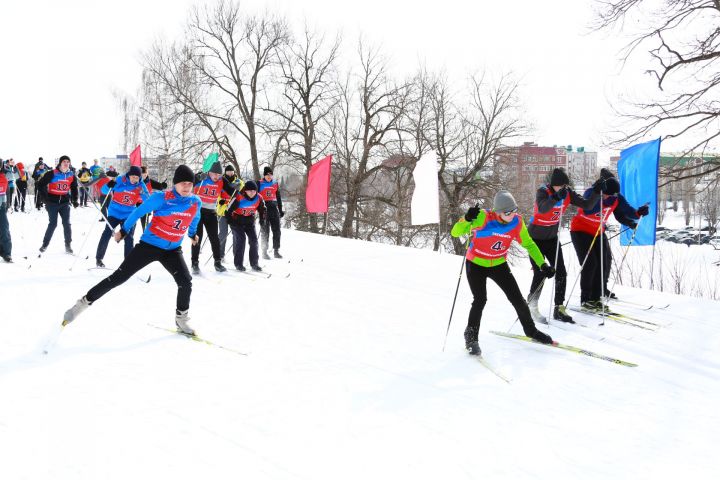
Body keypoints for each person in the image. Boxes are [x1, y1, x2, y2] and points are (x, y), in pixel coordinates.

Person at [62, 165, 202, 335]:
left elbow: (195, 219)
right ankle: (83, 303)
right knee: (119, 277)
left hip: (172, 250)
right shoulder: (161, 198)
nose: (187, 186)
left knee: (185, 282)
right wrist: (124, 230)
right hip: (149, 246)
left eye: (190, 183)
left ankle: (181, 321)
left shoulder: (195, 202)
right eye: (183, 183)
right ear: (175, 184)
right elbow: (137, 212)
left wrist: (193, 234)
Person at [450, 190, 554, 355]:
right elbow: (455, 232)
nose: (512, 214)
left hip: (498, 263)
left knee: (517, 299)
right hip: (476, 263)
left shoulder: (517, 222)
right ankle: (471, 337)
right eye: (507, 212)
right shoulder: (483, 217)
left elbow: (529, 244)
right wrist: (467, 219)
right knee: (480, 299)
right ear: (497, 212)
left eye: (514, 210)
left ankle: (531, 331)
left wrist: (542, 264)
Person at [526, 168, 603, 324]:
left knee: (561, 272)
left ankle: (559, 307)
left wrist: (596, 191)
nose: (563, 188)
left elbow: (587, 205)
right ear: (553, 185)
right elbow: (543, 208)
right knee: (541, 273)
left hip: (552, 239)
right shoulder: (543, 192)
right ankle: (532, 304)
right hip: (535, 239)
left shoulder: (567, 193)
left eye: (564, 186)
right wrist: (555, 197)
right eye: (560, 186)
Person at [569, 169, 650, 311]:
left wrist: (639, 212)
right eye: (605, 194)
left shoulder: (616, 198)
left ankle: (596, 298)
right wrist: (598, 197)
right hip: (580, 231)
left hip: (597, 232)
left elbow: (629, 211)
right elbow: (587, 209)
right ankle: (586, 299)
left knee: (602, 264)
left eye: (609, 195)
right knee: (590, 264)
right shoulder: (593, 192)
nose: (606, 197)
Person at [94, 166, 150, 268]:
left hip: (128, 215)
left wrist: (143, 194)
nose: (134, 180)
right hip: (114, 213)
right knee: (107, 233)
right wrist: (108, 185)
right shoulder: (120, 180)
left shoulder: (141, 185)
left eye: (137, 178)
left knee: (129, 237)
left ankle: (127, 264)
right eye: (133, 177)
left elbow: (148, 199)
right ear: (129, 175)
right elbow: (104, 191)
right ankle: (99, 259)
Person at [189, 160, 236, 274]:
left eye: (219, 174)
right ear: (209, 172)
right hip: (198, 212)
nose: (217, 176)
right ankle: (194, 263)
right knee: (197, 237)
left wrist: (236, 188)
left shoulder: (221, 180)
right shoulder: (202, 177)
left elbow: (231, 191)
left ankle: (217, 262)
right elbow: (189, 182)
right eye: (214, 174)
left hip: (211, 212)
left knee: (214, 238)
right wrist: (198, 177)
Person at [36, 155, 78, 254]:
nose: (66, 163)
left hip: (64, 202)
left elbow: (74, 188)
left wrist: (75, 200)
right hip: (52, 202)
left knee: (66, 224)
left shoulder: (71, 175)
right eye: (64, 161)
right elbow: (40, 185)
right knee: (53, 224)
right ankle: (45, 244)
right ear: (60, 163)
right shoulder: (52, 173)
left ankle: (68, 245)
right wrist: (45, 199)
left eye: (68, 161)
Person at [226, 180, 265, 272]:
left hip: (249, 221)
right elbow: (228, 210)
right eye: (249, 191)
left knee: (254, 241)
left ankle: (254, 263)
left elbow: (263, 209)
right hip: (237, 221)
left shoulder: (259, 198)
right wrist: (230, 221)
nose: (252, 193)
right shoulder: (239, 197)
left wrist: (262, 219)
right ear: (245, 191)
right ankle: (239, 264)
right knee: (241, 239)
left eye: (254, 191)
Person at [258, 166, 285, 259]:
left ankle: (276, 250)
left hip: (274, 208)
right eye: (267, 174)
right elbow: (254, 197)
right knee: (265, 231)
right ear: (264, 175)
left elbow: (278, 198)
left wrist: (280, 210)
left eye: (271, 174)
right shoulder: (259, 183)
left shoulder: (275, 183)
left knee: (277, 231)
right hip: (264, 209)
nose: (269, 176)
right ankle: (264, 252)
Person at [218, 164, 243, 263]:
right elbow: (217, 193)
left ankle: (236, 254)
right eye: (228, 171)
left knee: (235, 233)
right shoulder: (221, 181)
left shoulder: (239, 181)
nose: (230, 173)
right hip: (223, 211)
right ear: (225, 172)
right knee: (223, 233)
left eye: (231, 171)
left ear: (234, 172)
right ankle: (220, 255)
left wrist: (237, 189)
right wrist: (220, 201)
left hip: (234, 212)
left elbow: (241, 192)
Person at [139, 166, 167, 231]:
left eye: (145, 173)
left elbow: (159, 186)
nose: (144, 175)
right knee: (132, 223)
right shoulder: (136, 181)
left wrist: (162, 185)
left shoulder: (149, 181)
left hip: (145, 204)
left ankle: (145, 236)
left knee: (145, 223)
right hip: (135, 203)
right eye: (143, 173)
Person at [0, 168, 12, 262]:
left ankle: (6, 253)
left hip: (1, 207)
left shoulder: (4, 177)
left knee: (4, 229)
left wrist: (7, 204)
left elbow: (7, 192)